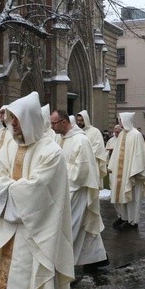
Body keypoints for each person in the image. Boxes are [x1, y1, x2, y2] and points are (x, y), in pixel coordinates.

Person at [0, 92, 73, 289]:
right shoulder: (8, 146)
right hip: (6, 237)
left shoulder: (51, 152)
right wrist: (16, 188)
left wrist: (8, 188)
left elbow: (36, 195)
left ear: (31, 120)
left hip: (35, 240)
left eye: (17, 120)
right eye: (11, 120)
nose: (13, 126)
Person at [51, 109, 108, 273]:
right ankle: (96, 258)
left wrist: (61, 177)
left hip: (76, 192)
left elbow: (81, 171)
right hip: (65, 190)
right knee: (85, 228)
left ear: (63, 122)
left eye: (54, 123)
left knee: (71, 229)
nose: (52, 127)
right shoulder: (61, 139)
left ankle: (65, 268)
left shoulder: (80, 141)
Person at [108, 113, 145, 229]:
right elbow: (116, 153)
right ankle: (123, 217)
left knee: (132, 197)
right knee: (120, 195)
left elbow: (139, 154)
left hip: (131, 172)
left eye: (120, 120)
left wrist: (135, 171)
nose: (119, 122)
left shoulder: (136, 134)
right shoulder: (122, 135)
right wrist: (112, 166)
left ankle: (132, 221)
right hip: (121, 172)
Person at [76, 110, 109, 184]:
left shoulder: (95, 132)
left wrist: (85, 154)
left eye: (81, 120)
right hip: (79, 163)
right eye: (78, 120)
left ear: (86, 120)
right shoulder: (76, 132)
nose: (79, 122)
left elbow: (98, 147)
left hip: (92, 162)